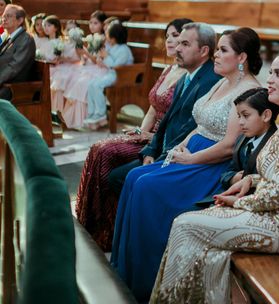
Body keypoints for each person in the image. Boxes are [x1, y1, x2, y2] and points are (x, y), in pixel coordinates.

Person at [151, 48, 279, 303]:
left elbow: (276, 195)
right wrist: (250, 180)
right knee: (205, 240)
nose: (269, 79)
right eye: (271, 73)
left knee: (185, 226)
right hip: (275, 212)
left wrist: (237, 202)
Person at [111, 28, 262, 301]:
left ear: (242, 57)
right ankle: (125, 269)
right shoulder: (221, 82)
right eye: (217, 49)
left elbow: (229, 145)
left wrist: (191, 157)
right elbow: (201, 123)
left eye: (223, 50)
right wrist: (183, 144)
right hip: (192, 151)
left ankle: (146, 279)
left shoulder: (250, 90)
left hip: (212, 164)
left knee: (147, 186)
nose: (216, 54)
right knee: (135, 177)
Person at [75, 19, 190, 251]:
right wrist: (141, 131)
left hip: (161, 140)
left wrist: (151, 138)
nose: (169, 40)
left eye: (176, 35)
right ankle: (95, 225)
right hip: (148, 135)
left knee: (106, 154)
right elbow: (152, 108)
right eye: (167, 35)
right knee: (98, 149)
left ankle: (111, 230)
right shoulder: (169, 69)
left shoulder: (188, 76)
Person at [107, 22, 220, 194]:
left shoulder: (210, 81)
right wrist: (150, 151)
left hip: (180, 155)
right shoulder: (185, 77)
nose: (178, 48)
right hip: (161, 148)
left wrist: (161, 158)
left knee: (124, 179)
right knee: (113, 171)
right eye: (178, 42)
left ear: (204, 51)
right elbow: (167, 119)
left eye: (185, 44)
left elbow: (190, 127)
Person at [75, 21, 134, 129]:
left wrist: (106, 57)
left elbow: (116, 66)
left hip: (120, 76)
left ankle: (100, 113)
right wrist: (101, 60)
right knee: (91, 84)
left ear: (114, 38)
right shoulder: (112, 47)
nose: (106, 36)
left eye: (108, 34)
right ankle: (92, 112)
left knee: (97, 85)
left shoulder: (124, 50)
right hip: (111, 74)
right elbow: (107, 63)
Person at [219, 87, 279, 190]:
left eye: (246, 115)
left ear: (266, 115)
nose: (240, 122)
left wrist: (245, 180)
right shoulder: (241, 140)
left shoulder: (275, 146)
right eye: (239, 116)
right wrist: (233, 178)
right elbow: (227, 172)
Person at [0, 4, 36, 100]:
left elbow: (14, 67)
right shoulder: (9, 37)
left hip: (14, 88)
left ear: (20, 20)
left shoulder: (26, 39)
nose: (4, 19)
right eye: (3, 16)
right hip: (5, 83)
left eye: (9, 16)